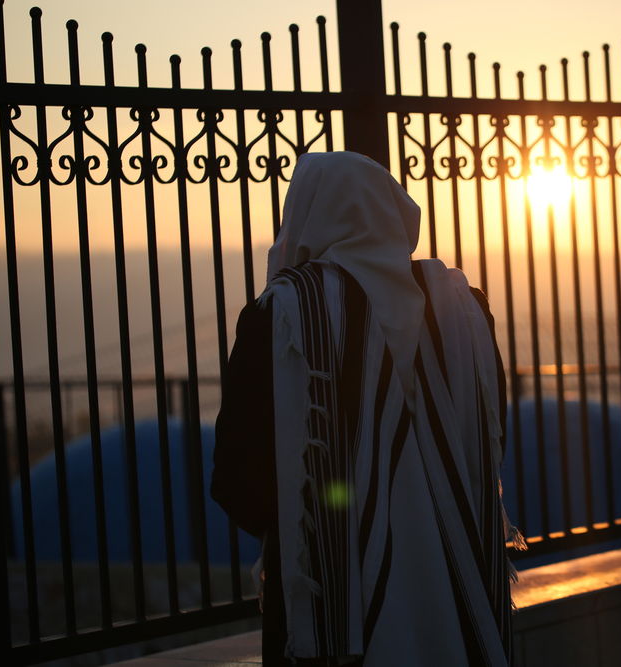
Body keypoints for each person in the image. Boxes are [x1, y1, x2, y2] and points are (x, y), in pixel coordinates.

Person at [210, 151, 517, 666]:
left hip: (332, 610)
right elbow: (492, 439)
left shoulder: (282, 316)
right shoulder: (464, 309)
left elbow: (238, 480)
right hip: (457, 583)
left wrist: (324, 529)